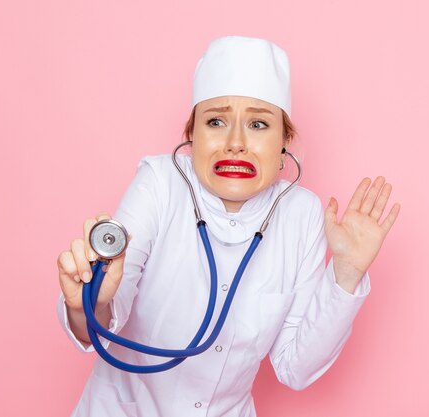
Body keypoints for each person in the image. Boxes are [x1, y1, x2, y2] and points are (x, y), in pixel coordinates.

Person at [56, 36, 400, 417]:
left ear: (284, 142)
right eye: (216, 121)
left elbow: (296, 367)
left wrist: (346, 274)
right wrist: (90, 303)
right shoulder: (159, 182)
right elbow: (99, 326)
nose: (236, 143)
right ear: (192, 134)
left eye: (258, 124)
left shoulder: (300, 214)